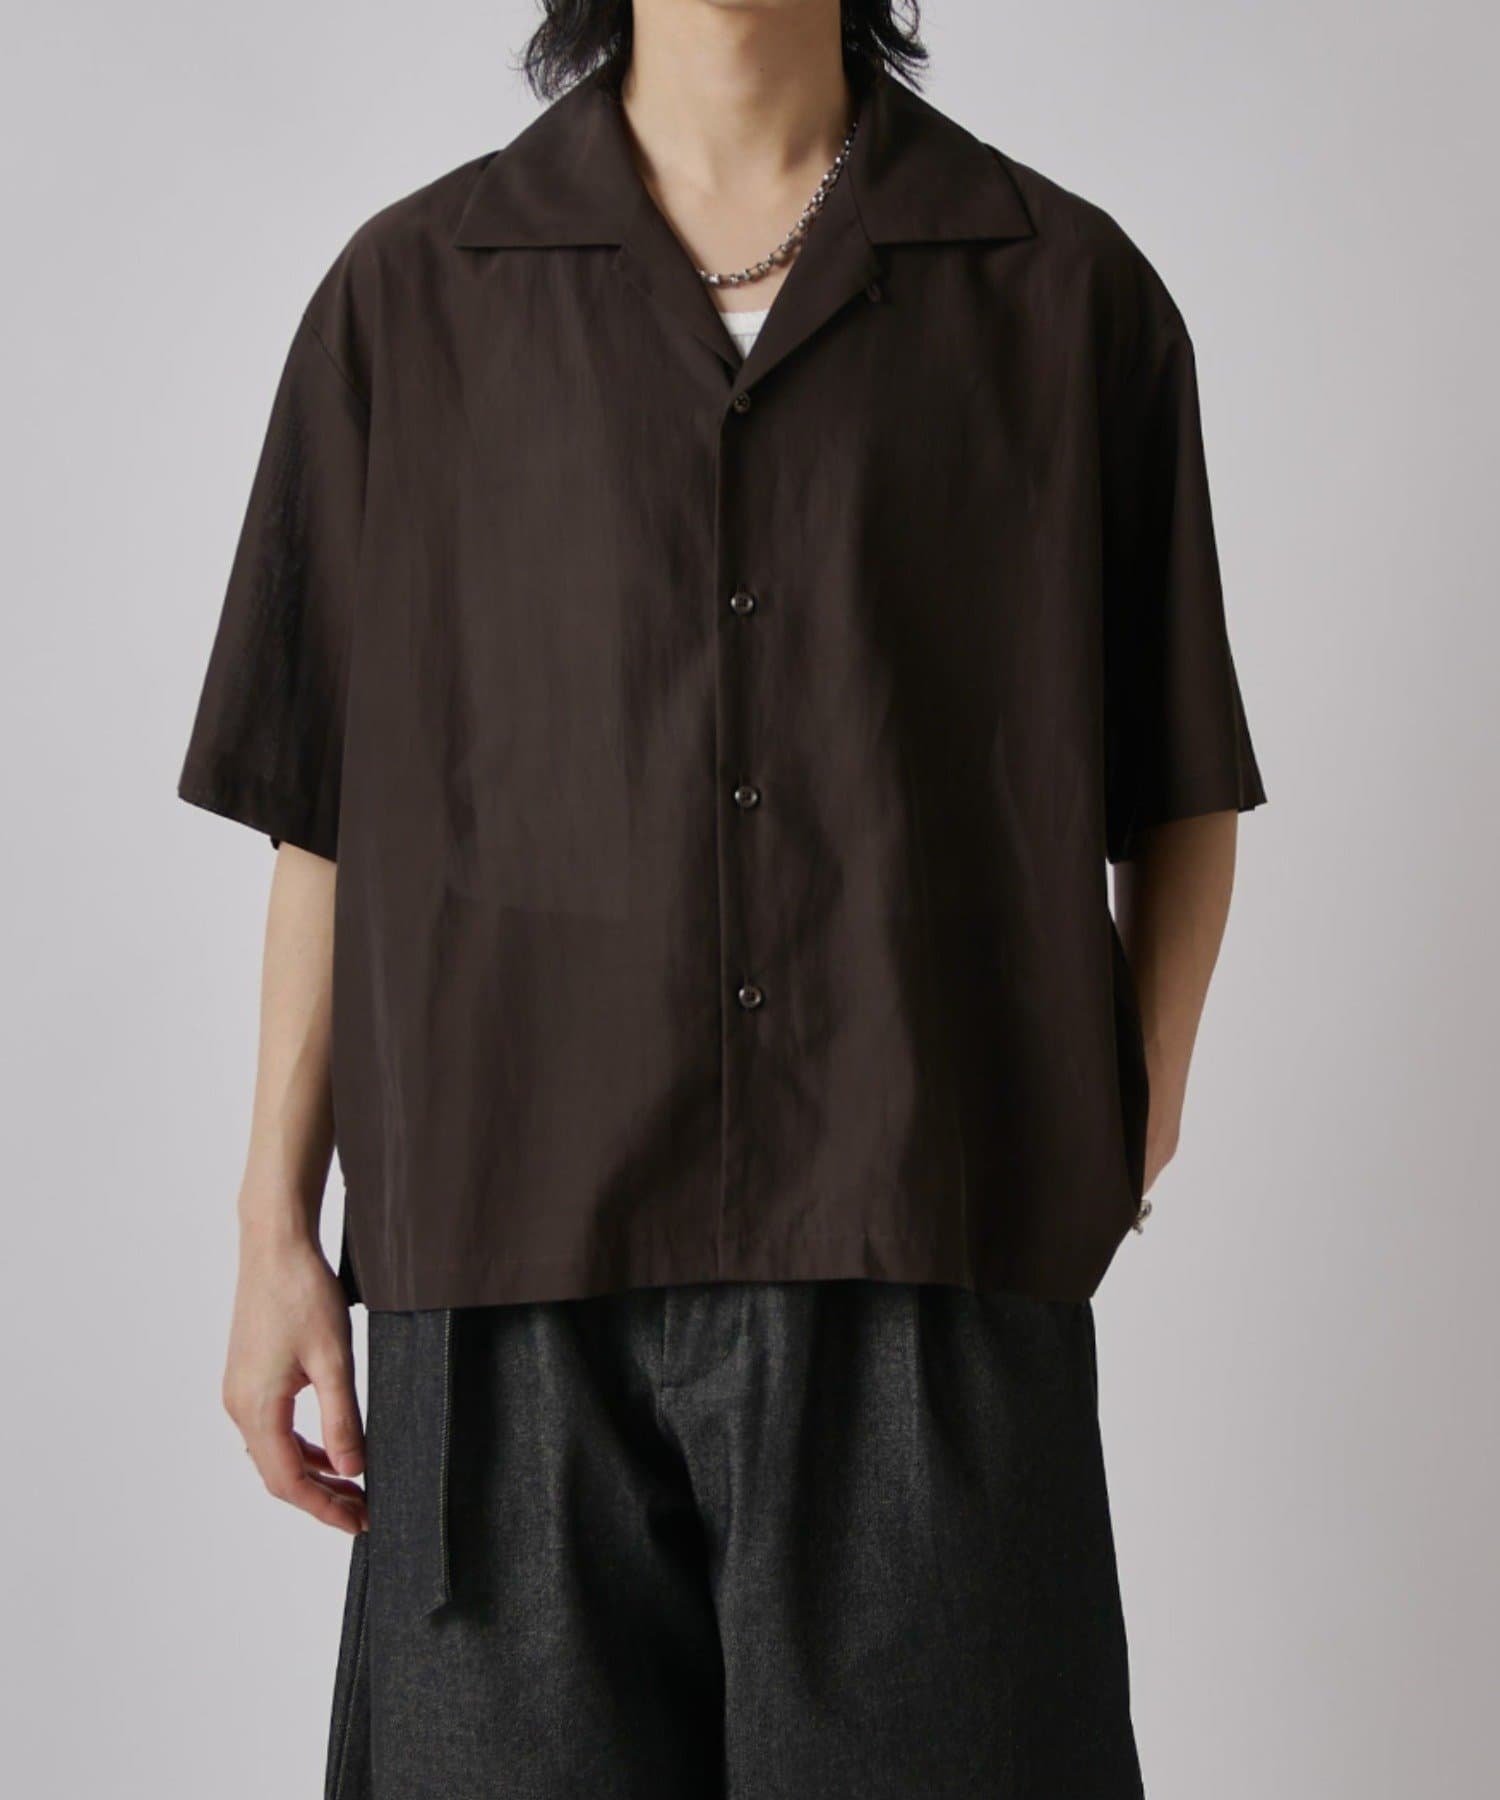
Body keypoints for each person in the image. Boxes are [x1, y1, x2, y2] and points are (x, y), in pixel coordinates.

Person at [179, 2, 1265, 1794]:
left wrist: (1125, 1115)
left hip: (922, 1249)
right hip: (500, 1262)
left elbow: (1178, 773)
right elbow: (326, 803)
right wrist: (271, 1223)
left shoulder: (1066, 294)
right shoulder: (413, 298)